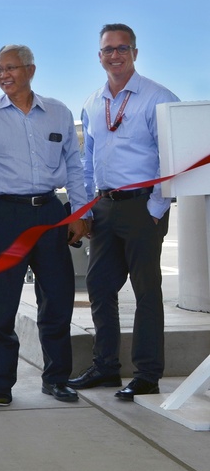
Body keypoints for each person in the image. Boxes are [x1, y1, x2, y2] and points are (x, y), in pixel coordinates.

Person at [0, 44, 89, 406]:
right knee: (2, 305)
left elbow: (76, 165)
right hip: (4, 216)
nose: (4, 75)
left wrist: (80, 213)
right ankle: (1, 383)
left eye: (11, 68)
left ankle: (56, 378)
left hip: (50, 212)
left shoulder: (58, 112)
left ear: (30, 70)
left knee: (57, 298)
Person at [69, 24, 180, 401]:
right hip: (104, 207)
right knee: (100, 286)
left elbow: (172, 158)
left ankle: (148, 374)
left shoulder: (158, 98)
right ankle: (106, 368)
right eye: (107, 50)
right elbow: (88, 162)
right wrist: (85, 208)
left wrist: (156, 207)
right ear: (98, 55)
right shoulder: (92, 102)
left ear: (134, 52)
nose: (114, 55)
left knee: (146, 291)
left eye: (121, 48)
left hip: (141, 208)